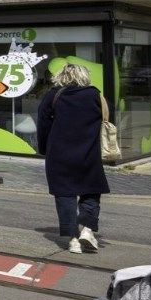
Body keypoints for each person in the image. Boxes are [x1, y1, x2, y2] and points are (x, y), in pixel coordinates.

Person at [35, 63, 109, 254]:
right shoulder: (94, 95)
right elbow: (109, 118)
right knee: (91, 191)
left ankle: (73, 240)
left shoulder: (54, 95)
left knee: (64, 195)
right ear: (84, 76)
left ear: (61, 76)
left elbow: (43, 124)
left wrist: (43, 148)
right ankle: (87, 229)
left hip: (59, 154)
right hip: (88, 153)